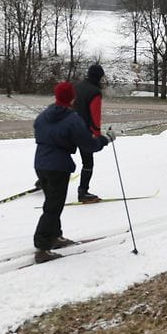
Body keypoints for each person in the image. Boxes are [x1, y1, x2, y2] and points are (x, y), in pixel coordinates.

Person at [33, 81, 114, 264]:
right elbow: (89, 145)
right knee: (53, 206)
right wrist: (105, 140)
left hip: (40, 163)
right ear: (72, 98)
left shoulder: (45, 114)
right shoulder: (72, 119)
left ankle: (55, 236)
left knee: (54, 202)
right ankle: (43, 247)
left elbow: (38, 129)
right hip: (58, 166)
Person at [72, 64, 106, 203]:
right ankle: (83, 192)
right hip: (84, 131)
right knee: (87, 163)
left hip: (69, 127)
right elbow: (95, 116)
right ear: (99, 77)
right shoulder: (95, 92)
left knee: (60, 155)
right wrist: (97, 135)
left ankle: (44, 181)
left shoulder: (77, 86)